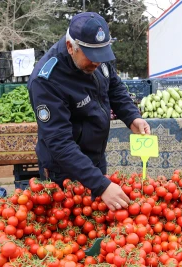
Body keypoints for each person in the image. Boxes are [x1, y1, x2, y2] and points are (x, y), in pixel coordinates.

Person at [27, 12, 151, 211]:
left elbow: (114, 87)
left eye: (101, 57)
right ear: (70, 47)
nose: (97, 63)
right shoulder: (46, 80)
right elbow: (59, 142)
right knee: (69, 230)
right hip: (64, 169)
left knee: (98, 219)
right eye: (91, 57)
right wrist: (102, 185)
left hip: (94, 158)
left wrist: (132, 116)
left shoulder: (98, 55)